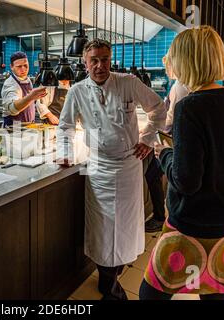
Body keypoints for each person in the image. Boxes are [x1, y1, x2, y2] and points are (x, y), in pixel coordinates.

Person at [139, 26, 224, 300]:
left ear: (186, 61)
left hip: (191, 221)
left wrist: (164, 154)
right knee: (214, 291)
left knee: (151, 292)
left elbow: (186, 181)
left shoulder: (189, 107)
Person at [56, 39, 166, 300]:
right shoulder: (77, 91)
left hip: (128, 166)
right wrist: (65, 153)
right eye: (93, 60)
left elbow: (158, 109)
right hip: (98, 169)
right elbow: (65, 127)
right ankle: (109, 284)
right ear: (85, 63)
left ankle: (112, 279)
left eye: (104, 59)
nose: (100, 65)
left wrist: (147, 139)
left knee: (125, 229)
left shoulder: (128, 82)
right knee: (102, 231)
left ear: (110, 59)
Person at [144, 56, 190, 233]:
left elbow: (170, 117)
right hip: (174, 140)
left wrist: (151, 129)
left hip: (171, 142)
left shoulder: (179, 86)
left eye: (167, 66)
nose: (166, 71)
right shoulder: (181, 84)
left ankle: (158, 217)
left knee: (152, 174)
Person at [1, 51, 58, 126]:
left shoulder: (27, 80)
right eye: (19, 66)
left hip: (28, 126)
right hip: (14, 129)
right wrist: (31, 97)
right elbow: (13, 109)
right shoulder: (10, 84)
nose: (23, 69)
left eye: (25, 65)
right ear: (11, 67)